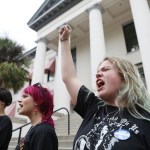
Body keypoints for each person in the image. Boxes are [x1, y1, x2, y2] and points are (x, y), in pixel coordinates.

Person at [59, 24, 150, 150]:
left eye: (105, 69)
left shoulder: (145, 120)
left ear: (124, 77)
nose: (97, 74)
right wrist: (64, 41)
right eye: (97, 71)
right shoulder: (93, 107)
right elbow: (69, 77)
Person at [15, 83, 58, 150]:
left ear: (37, 102)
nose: (19, 100)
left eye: (25, 96)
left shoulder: (44, 131)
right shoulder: (36, 129)